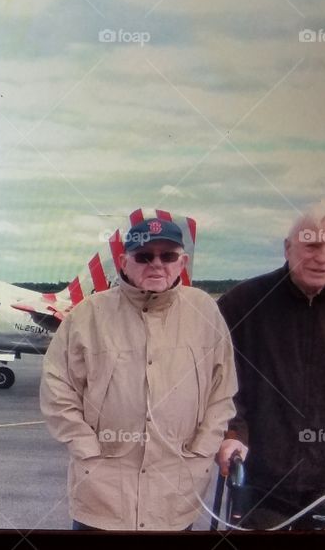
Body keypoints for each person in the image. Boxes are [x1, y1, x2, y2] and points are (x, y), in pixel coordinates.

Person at [40, 218, 237, 530]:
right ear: (123, 262)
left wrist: (203, 448)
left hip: (177, 495)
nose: (156, 264)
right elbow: (57, 390)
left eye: (167, 256)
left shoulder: (205, 310)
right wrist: (87, 450)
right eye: (144, 256)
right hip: (101, 497)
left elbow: (222, 389)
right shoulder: (87, 314)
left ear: (182, 261)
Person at [215, 199, 325, 529]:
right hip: (257, 475)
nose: (322, 258)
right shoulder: (242, 304)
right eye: (311, 245)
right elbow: (221, 385)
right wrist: (232, 433)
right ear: (287, 247)